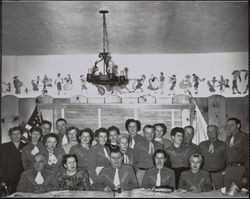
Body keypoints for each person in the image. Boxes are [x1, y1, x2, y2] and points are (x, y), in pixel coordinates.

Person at [198, 124, 227, 189]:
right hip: (205, 175)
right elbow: (198, 160)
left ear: (217, 132)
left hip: (219, 175)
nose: (210, 133)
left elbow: (227, 159)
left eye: (213, 131)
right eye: (208, 132)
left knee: (220, 194)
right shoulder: (201, 145)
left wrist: (225, 172)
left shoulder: (224, 145)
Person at [0, 126, 27, 194]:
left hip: (23, 177)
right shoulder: (4, 147)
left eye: (18, 134)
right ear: (10, 136)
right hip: (9, 178)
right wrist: (3, 180)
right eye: (14, 134)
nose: (16, 136)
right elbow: (3, 165)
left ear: (21, 135)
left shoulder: (26, 146)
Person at [224, 118, 248, 190]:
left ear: (238, 125)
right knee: (229, 191)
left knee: (241, 192)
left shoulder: (245, 137)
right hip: (229, 169)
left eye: (232, 125)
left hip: (241, 169)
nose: (229, 127)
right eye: (227, 125)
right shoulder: (228, 138)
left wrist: (246, 174)